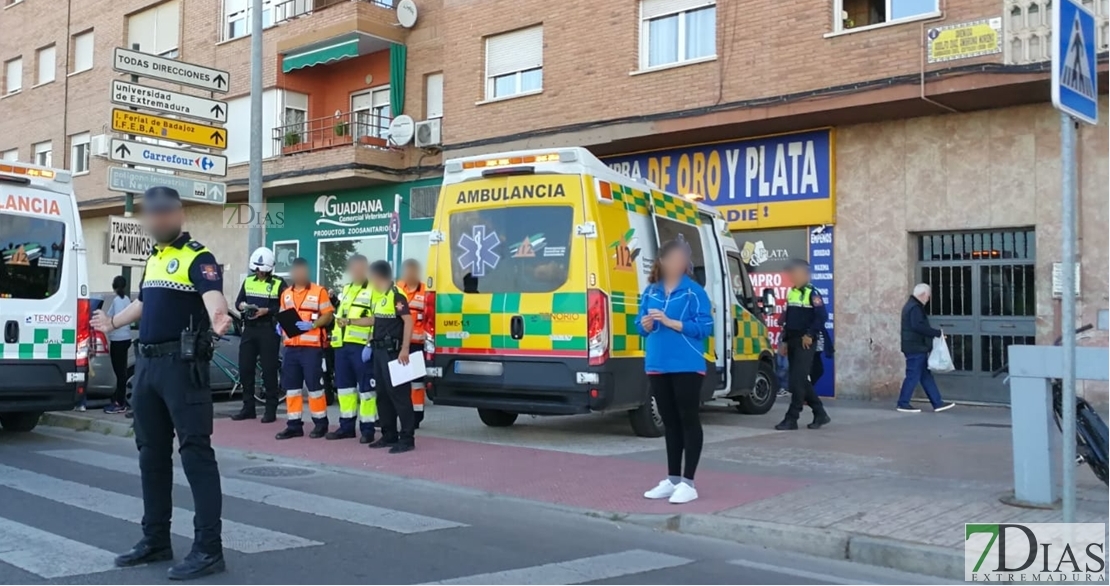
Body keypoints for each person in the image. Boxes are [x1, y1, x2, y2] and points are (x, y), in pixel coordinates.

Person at [90, 186, 230, 580]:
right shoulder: (155, 259)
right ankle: (156, 539)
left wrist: (219, 317)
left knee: (196, 455)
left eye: (165, 213)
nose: (158, 220)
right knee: (151, 455)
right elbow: (146, 302)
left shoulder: (198, 257)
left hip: (181, 368)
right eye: (152, 214)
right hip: (148, 368)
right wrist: (113, 322)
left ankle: (208, 549)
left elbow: (213, 298)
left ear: (178, 214)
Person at [637, 240, 714, 505]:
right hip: (657, 364)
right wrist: (645, 324)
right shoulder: (650, 292)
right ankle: (672, 479)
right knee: (670, 422)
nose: (680, 262)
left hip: (687, 365)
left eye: (683, 258)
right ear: (663, 261)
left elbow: (705, 327)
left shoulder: (694, 292)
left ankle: (688, 482)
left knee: (688, 419)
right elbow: (638, 325)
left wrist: (673, 323)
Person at [275, 258, 334, 440]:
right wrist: (280, 325)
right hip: (291, 348)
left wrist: (313, 324)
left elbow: (329, 316)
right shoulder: (285, 294)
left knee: (315, 388)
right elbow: (283, 314)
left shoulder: (319, 292)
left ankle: (321, 423)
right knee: (291, 389)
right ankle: (294, 425)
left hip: (311, 348)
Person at [364, 260, 417, 454]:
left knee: (400, 395)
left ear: (380, 276)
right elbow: (374, 321)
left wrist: (405, 348)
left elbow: (408, 321)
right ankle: (388, 435)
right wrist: (350, 322)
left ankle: (407, 438)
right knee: (383, 395)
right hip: (379, 352)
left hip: (394, 353)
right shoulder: (380, 298)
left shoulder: (396, 296)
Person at [230, 247, 286, 423]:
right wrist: (243, 307)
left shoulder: (279, 283)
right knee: (245, 368)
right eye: (257, 269)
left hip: (268, 330)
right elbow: (238, 302)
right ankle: (248, 408)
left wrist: (267, 310)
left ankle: (270, 409)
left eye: (262, 270)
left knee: (269, 370)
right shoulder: (248, 281)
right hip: (250, 329)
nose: (259, 272)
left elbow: (285, 306)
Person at [774, 258, 831, 431]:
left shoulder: (812, 292)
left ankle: (792, 418)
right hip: (792, 340)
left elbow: (821, 316)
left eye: (796, 272)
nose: (792, 276)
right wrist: (783, 341)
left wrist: (810, 334)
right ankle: (820, 413)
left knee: (797, 381)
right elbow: (788, 319)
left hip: (805, 341)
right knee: (798, 380)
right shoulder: (792, 292)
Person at [326, 255, 377, 443]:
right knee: (345, 390)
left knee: (366, 390)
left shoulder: (373, 290)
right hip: (341, 347)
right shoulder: (346, 289)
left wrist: (370, 343)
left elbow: (376, 319)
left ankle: (368, 428)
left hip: (361, 347)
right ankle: (346, 426)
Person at [897, 283, 955, 413]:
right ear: (923, 295)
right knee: (913, 375)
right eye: (928, 297)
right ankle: (903, 403)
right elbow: (918, 326)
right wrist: (936, 333)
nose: (928, 299)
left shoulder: (911, 306)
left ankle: (938, 403)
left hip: (915, 346)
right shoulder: (915, 308)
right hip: (915, 347)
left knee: (925, 376)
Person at [399, 258, 428, 429]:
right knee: (399, 382)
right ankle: (402, 414)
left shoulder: (425, 291)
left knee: (416, 383)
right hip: (399, 343)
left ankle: (416, 415)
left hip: (417, 343)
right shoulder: (397, 289)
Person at [103, 276, 133, 415]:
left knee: (119, 372)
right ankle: (119, 399)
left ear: (113, 286)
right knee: (122, 371)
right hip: (126, 338)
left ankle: (119, 402)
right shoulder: (127, 299)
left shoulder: (116, 301)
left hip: (117, 339)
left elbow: (109, 317)